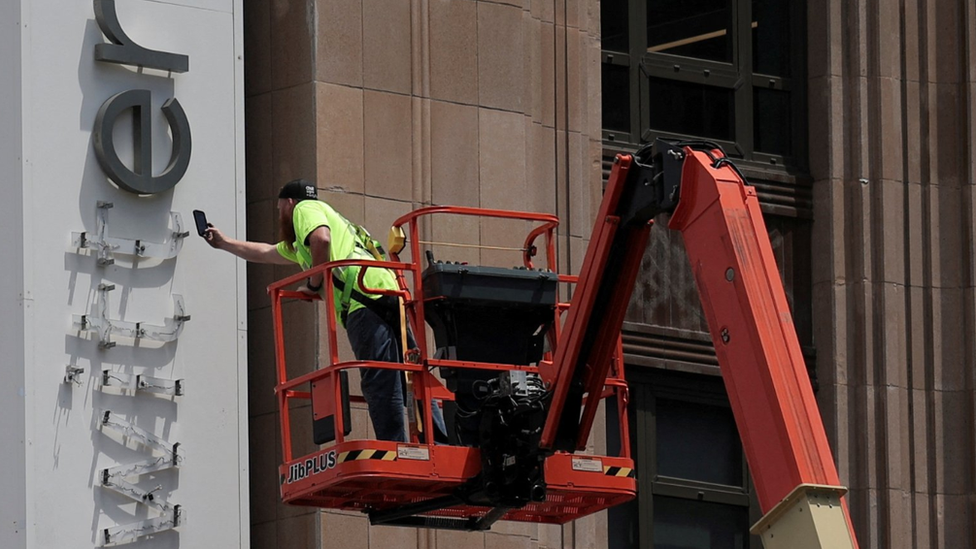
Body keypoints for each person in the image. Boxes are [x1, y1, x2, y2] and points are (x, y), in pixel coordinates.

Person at [204, 179, 445, 442]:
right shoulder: (304, 244)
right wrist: (224, 242)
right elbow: (266, 252)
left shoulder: (304, 209)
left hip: (362, 300)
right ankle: (441, 441)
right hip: (384, 293)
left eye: (279, 209)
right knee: (411, 374)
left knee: (379, 379)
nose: (280, 215)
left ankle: (394, 447)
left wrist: (313, 283)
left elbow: (321, 238)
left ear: (289, 203)